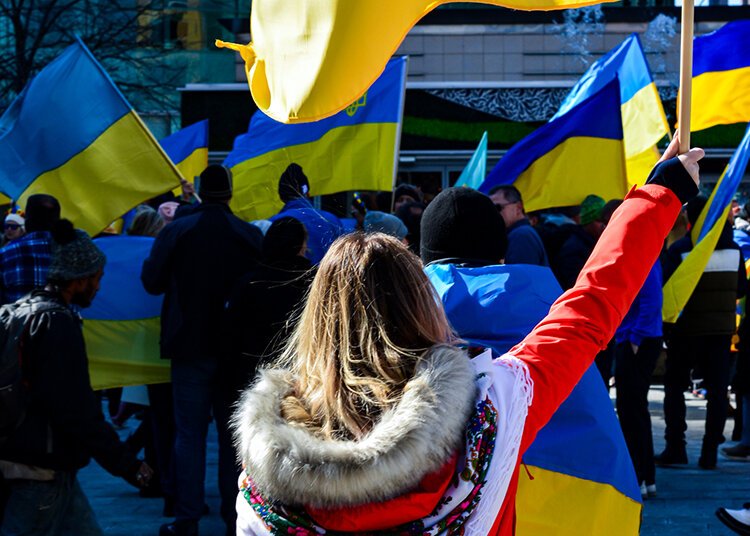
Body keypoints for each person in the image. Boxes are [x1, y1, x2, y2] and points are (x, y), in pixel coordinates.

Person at [231, 137, 702, 535]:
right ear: (422, 302)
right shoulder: (496, 401)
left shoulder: (264, 464)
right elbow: (591, 306)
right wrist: (661, 194)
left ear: (318, 318)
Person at [0, 219, 152, 536]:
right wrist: (127, 465)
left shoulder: (26, 309)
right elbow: (76, 409)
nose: (99, 286)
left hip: (45, 462)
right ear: (79, 278)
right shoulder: (56, 323)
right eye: (97, 278)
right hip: (40, 466)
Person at [141, 164, 263, 536]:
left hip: (188, 345)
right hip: (232, 351)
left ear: (201, 191)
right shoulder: (246, 234)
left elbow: (151, 282)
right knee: (232, 438)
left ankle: (187, 517)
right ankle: (233, 515)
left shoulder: (177, 230)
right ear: (228, 193)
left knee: (188, 435)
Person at [658, 195, 746, 469]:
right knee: (718, 392)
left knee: (675, 388)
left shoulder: (682, 250)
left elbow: (668, 291)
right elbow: (741, 290)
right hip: (720, 332)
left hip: (686, 331)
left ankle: (676, 448)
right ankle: (709, 453)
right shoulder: (734, 250)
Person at [223, 217, 314, 392]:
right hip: (303, 374)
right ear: (301, 245)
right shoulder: (315, 281)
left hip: (255, 376)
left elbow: (232, 333)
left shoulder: (250, 282)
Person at [614, 256, 664, 498]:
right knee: (633, 410)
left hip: (637, 340)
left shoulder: (646, 256)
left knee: (631, 411)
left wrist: (636, 337)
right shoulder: (645, 255)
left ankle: (640, 476)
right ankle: (645, 476)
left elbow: (652, 299)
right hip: (636, 337)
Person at [269, 163, 343, 264]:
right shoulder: (331, 219)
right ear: (307, 192)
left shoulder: (273, 223)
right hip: (325, 278)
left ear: (282, 196)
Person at [0, 194, 60, 304]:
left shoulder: (5, 254)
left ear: (26, 222)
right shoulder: (73, 254)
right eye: (7, 226)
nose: (9, 230)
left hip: (15, 320)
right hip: (63, 320)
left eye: (13, 226)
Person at [488, 185, 548, 266]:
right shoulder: (520, 233)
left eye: (497, 207)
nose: (493, 213)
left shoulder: (521, 235)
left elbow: (519, 277)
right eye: (490, 209)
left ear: (518, 207)